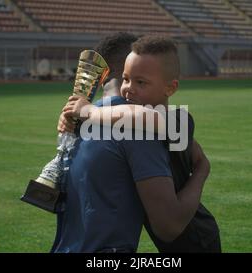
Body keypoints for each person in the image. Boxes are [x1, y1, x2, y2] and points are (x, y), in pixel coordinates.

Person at [59, 35, 221, 252]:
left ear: (170, 89)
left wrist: (89, 111)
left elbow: (140, 116)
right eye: (126, 79)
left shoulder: (177, 119)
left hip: (196, 235)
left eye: (141, 82)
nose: (129, 89)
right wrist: (69, 117)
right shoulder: (130, 118)